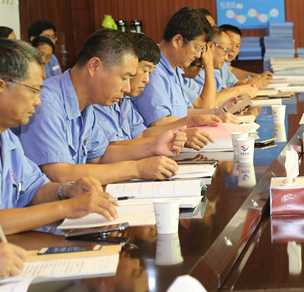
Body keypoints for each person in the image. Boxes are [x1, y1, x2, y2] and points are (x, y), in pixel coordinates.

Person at [19, 29, 184, 184]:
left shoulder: (87, 105)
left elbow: (99, 156)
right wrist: (136, 169)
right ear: (95, 66)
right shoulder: (47, 103)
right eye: (124, 78)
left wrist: (154, 147)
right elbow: (60, 174)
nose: (127, 88)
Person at [0, 39, 118, 236]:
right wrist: (67, 208)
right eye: (33, 91)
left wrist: (67, 191)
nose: (38, 101)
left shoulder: (7, 138)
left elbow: (33, 189)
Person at [131, 7, 238, 127]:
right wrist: (202, 119)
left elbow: (184, 113)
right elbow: (160, 122)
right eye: (197, 48)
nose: (198, 55)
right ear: (178, 40)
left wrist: (215, 113)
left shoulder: (175, 69)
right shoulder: (153, 70)